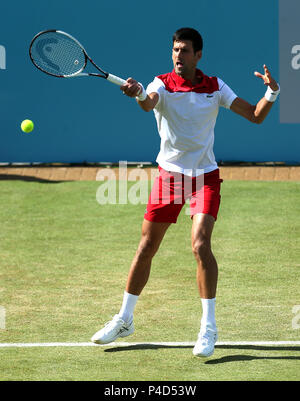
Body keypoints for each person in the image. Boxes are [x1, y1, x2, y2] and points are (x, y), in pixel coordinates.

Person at [91, 27, 280, 357]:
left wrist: (272, 93)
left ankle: (209, 327)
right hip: (170, 177)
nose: (178, 55)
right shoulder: (161, 84)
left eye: (185, 50)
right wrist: (136, 93)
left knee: (200, 243)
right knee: (147, 246)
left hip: (205, 177)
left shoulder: (215, 87)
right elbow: (148, 104)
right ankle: (124, 319)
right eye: (175, 50)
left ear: (198, 55)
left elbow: (254, 116)